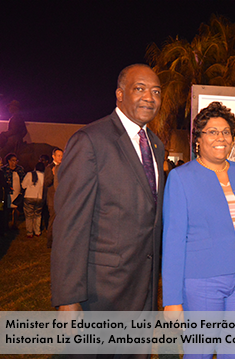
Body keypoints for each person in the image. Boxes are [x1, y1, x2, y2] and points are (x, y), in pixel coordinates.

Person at [51, 64, 165, 317]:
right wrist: (68, 296)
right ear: (120, 94)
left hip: (143, 288)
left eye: (156, 92)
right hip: (99, 292)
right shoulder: (90, 140)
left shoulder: (156, 146)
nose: (150, 97)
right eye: (140, 89)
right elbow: (71, 222)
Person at [162, 101, 235, 358]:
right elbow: (173, 242)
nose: (220, 137)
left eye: (226, 132)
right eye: (212, 131)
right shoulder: (181, 178)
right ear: (198, 139)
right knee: (200, 351)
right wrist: (172, 300)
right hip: (201, 282)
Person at [43, 147, 63, 248]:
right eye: (58, 155)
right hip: (52, 198)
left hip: (62, 198)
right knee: (53, 220)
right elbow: (46, 183)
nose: (61, 157)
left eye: (62, 155)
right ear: (53, 156)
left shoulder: (64, 167)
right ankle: (50, 242)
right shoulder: (49, 168)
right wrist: (53, 174)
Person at [1, 153, 25, 229]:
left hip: (17, 191)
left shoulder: (20, 169)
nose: (14, 162)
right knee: (7, 208)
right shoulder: (4, 169)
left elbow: (23, 179)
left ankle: (14, 224)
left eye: (16, 160)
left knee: (16, 207)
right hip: (8, 192)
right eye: (12, 160)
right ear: (8, 161)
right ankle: (5, 224)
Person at [21, 162, 45, 238]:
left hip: (29, 196)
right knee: (38, 215)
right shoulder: (44, 175)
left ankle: (30, 232)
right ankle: (37, 231)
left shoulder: (30, 174)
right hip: (40, 197)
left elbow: (23, 185)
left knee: (29, 215)